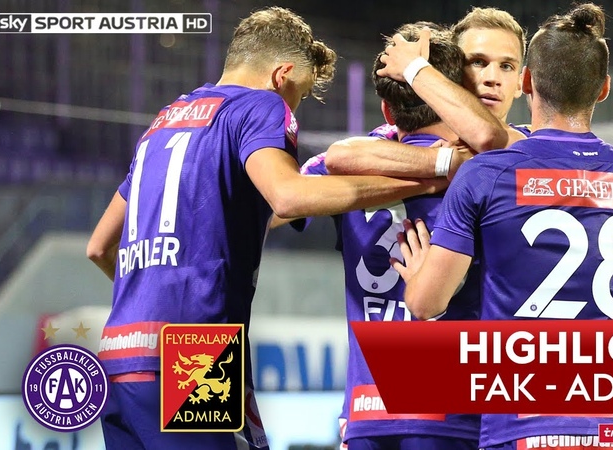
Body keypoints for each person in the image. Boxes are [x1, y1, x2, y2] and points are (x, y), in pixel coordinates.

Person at [85, 7, 446, 450]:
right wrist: (425, 181)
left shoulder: (164, 121)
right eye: (300, 95)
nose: (293, 109)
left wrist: (151, 297)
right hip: (196, 348)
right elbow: (288, 197)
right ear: (281, 75)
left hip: (118, 351)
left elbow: (99, 246)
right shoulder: (261, 105)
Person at [392, 4, 613, 450]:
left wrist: (421, 276)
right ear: (604, 89)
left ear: (528, 81)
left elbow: (425, 305)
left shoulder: (487, 174)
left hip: (527, 426)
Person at [296, 24, 481, 450]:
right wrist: (436, 171)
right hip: (452, 414)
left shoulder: (345, 166)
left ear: (386, 110)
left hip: (367, 412)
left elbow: (270, 208)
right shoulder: (489, 168)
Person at [324, 7, 529, 177]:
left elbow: (498, 140)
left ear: (520, 83)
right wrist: (446, 162)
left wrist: (413, 68)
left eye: (506, 66)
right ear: (454, 71)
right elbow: (339, 156)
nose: (492, 78)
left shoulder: (532, 142)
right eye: (477, 62)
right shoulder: (392, 138)